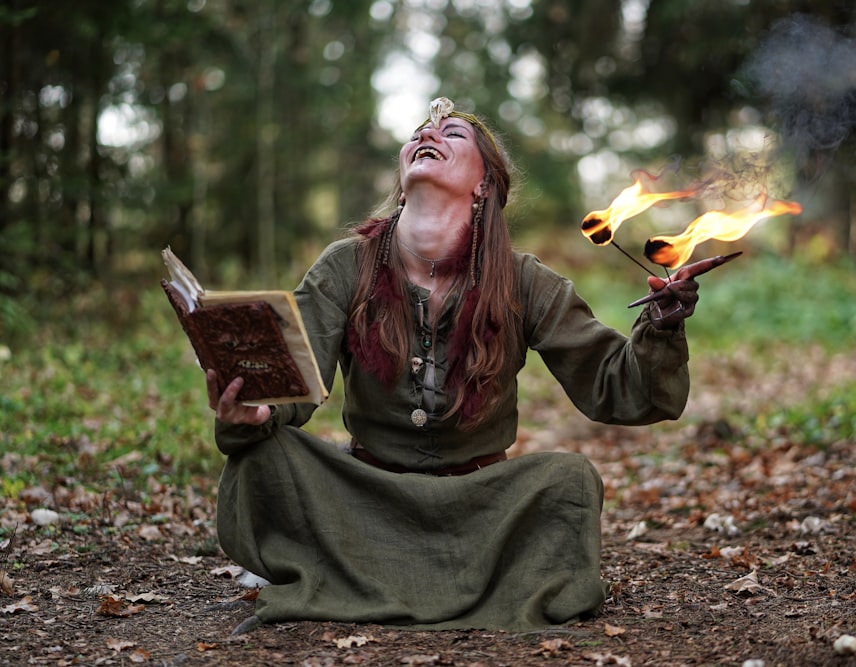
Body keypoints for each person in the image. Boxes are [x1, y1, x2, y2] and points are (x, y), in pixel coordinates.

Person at [206, 98, 700, 634]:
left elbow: (620, 388)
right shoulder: (345, 265)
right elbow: (292, 380)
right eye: (421, 130)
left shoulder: (524, 280)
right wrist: (254, 410)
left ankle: (357, 580)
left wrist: (662, 326)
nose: (431, 134)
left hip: (479, 507)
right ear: (402, 172)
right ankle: (444, 582)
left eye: (454, 134)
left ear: (485, 184)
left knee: (569, 481)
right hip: (366, 501)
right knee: (262, 459)